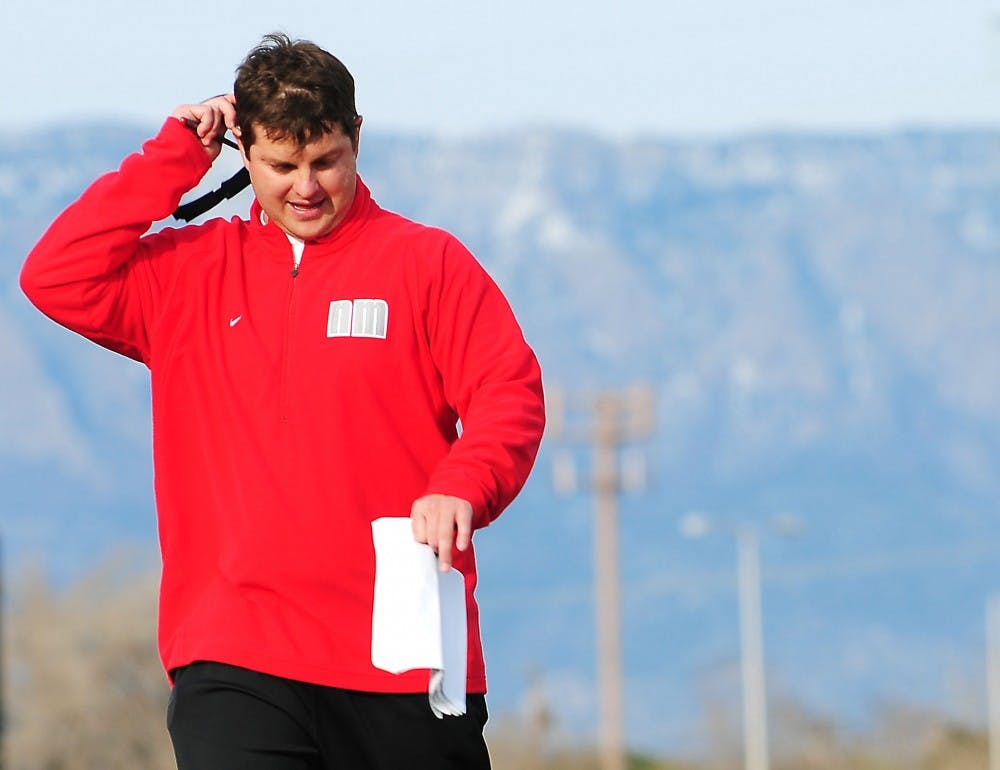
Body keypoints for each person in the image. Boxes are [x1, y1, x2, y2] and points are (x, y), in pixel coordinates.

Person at [20, 33, 545, 770]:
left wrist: (464, 483)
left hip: (402, 652)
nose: (306, 186)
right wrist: (176, 156)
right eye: (281, 165)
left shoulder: (428, 265)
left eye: (325, 160)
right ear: (244, 153)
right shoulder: (190, 277)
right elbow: (56, 276)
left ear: (357, 138)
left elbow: (508, 391)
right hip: (235, 653)